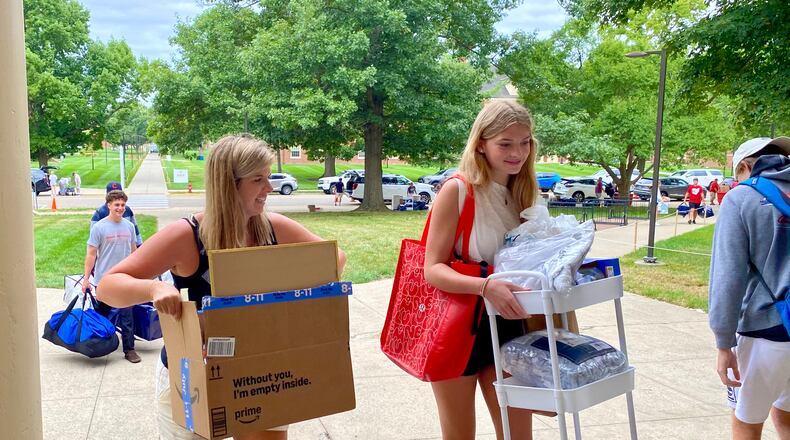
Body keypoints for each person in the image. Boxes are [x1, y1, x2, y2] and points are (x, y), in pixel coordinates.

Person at [96, 134, 347, 440]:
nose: (269, 188)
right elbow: (107, 286)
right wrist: (153, 290)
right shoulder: (186, 235)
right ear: (229, 184)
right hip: (194, 376)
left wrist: (287, 288)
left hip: (262, 372)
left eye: (268, 178)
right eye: (258, 180)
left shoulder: (274, 228)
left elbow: (336, 259)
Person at [424, 100, 536, 440]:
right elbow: (432, 269)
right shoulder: (458, 190)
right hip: (458, 325)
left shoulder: (525, 193)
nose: (517, 153)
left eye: (525, 142)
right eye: (505, 143)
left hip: (510, 323)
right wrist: (485, 286)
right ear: (481, 144)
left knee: (518, 435)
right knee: (459, 435)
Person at [708, 136, 790, 440]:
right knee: (786, 413)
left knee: (746, 423)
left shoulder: (742, 197)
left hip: (765, 329)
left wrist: (723, 343)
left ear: (744, 166)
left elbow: (728, 277)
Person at [82, 190, 140, 363]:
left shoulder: (129, 226)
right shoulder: (99, 227)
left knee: (127, 316)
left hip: (125, 279)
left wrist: (138, 274)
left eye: (123, 205)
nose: (120, 208)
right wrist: (86, 279)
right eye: (117, 205)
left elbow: (134, 253)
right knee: (101, 315)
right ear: (109, 205)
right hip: (104, 280)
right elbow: (91, 255)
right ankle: (98, 345)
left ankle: (129, 349)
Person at [91, 181, 143, 247]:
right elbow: (94, 238)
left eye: (119, 194)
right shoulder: (100, 212)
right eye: (113, 195)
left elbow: (135, 230)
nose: (117, 197)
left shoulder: (127, 210)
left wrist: (139, 245)